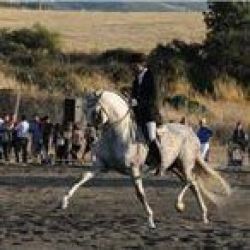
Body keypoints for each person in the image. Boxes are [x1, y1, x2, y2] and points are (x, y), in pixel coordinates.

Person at [130, 54, 162, 175]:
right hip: (138, 114)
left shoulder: (151, 77)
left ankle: (159, 162)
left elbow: (153, 97)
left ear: (142, 64)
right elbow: (134, 95)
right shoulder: (136, 79)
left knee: (151, 136)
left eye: (134, 65)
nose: (132, 67)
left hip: (150, 114)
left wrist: (138, 102)